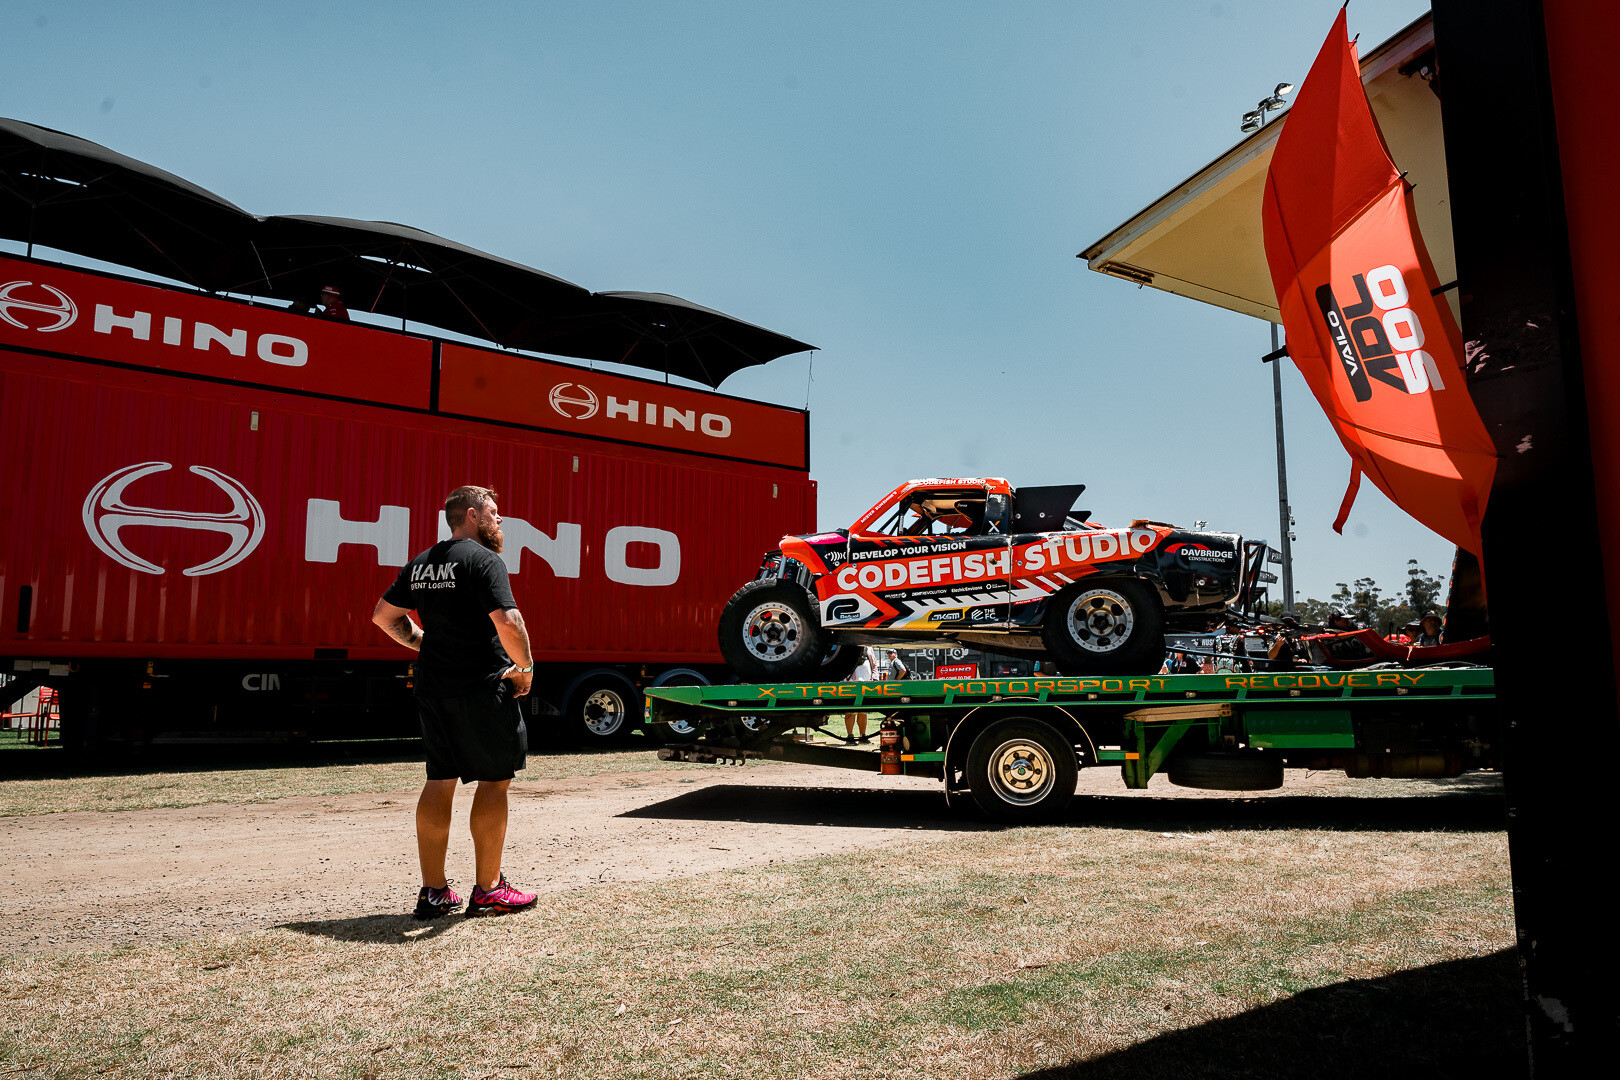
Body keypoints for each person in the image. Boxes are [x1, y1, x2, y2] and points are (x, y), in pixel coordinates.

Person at [371, 485, 539, 920]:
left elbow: (383, 616)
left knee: (440, 778)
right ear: (470, 515)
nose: (500, 520)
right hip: (481, 687)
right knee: (494, 780)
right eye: (494, 512)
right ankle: (488, 890)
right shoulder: (484, 560)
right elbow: (508, 619)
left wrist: (423, 642)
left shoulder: (423, 562)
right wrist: (525, 667)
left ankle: (433, 892)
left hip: (433, 687)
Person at [843, 647, 876, 744]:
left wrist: (874, 679)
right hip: (850, 683)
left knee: (863, 711)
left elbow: (873, 664)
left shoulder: (869, 647)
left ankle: (863, 736)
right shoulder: (848, 646)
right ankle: (850, 736)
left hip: (865, 683)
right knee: (850, 710)